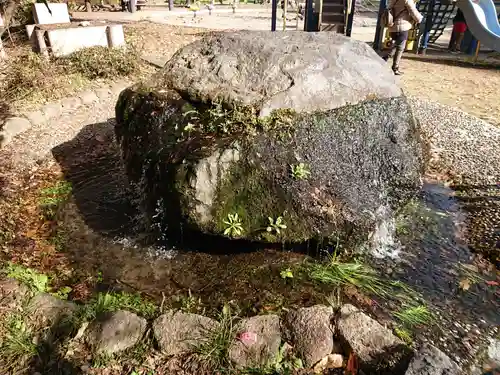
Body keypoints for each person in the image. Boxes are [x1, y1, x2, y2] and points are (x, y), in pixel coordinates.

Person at [383, 0, 423, 75]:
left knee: (397, 45)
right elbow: (415, 14)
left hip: (392, 27)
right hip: (402, 27)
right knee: (400, 48)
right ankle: (394, 67)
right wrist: (420, 19)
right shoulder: (407, 1)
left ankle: (385, 58)